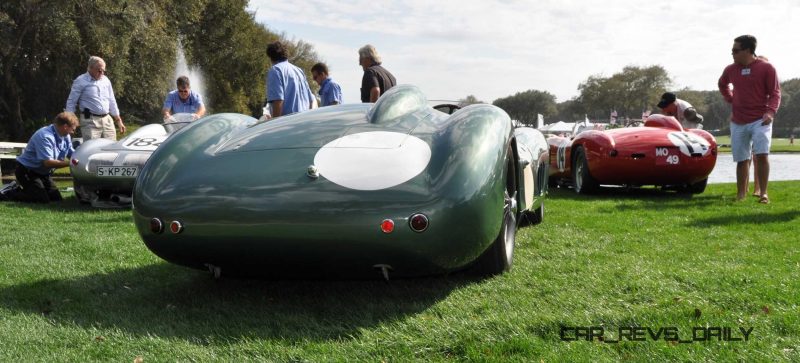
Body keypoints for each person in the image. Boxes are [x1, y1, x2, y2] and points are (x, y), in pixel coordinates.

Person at [718, 35, 781, 204]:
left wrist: (770, 112)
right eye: (732, 51)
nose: (733, 54)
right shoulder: (731, 69)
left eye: (736, 51)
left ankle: (763, 194)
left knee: (761, 155)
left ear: (748, 50)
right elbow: (722, 84)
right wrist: (730, 98)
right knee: (741, 159)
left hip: (761, 119)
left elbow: (775, 93)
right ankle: (741, 194)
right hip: (738, 120)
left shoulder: (767, 68)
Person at [0, 112, 78, 203]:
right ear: (65, 126)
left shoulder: (65, 136)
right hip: (27, 171)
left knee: (56, 200)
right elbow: (48, 162)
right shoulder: (45, 136)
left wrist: (80, 157)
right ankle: (9, 192)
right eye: (73, 129)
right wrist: (71, 163)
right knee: (41, 199)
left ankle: (30, 191)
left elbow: (70, 152)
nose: (73, 132)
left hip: (43, 173)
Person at [65, 56, 126, 140]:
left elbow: (112, 100)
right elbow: (71, 102)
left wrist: (119, 121)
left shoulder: (106, 80)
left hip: (107, 120)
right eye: (99, 70)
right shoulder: (80, 81)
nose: (102, 73)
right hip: (89, 120)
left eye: (103, 71)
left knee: (111, 149)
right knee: (92, 149)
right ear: (90, 68)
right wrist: (69, 121)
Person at [264, 41, 315, 118]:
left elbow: (278, 101)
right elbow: (311, 100)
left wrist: (274, 125)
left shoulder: (275, 70)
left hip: (287, 125)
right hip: (304, 121)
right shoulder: (299, 71)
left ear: (270, 57)